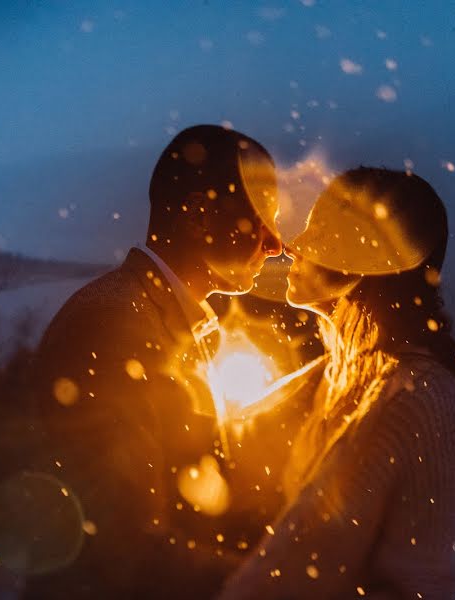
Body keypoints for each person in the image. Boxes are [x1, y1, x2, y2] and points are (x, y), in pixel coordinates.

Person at [218, 168, 455, 599]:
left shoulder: (411, 399)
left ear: (364, 259)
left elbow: (290, 572)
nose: (294, 247)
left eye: (320, 233)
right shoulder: (340, 378)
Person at [26, 124, 283, 597]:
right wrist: (296, 584)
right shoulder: (114, 328)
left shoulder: (157, 314)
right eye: (263, 216)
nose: (276, 244)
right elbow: (126, 551)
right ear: (198, 215)